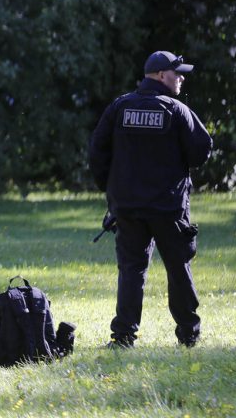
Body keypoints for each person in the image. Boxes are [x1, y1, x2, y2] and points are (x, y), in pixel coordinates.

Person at [88, 51, 213, 348]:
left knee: (132, 269)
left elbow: (97, 151)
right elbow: (201, 151)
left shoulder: (120, 107)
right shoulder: (176, 110)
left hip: (128, 208)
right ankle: (188, 334)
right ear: (159, 75)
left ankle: (123, 337)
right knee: (178, 267)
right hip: (168, 208)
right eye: (176, 73)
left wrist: (112, 190)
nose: (181, 77)